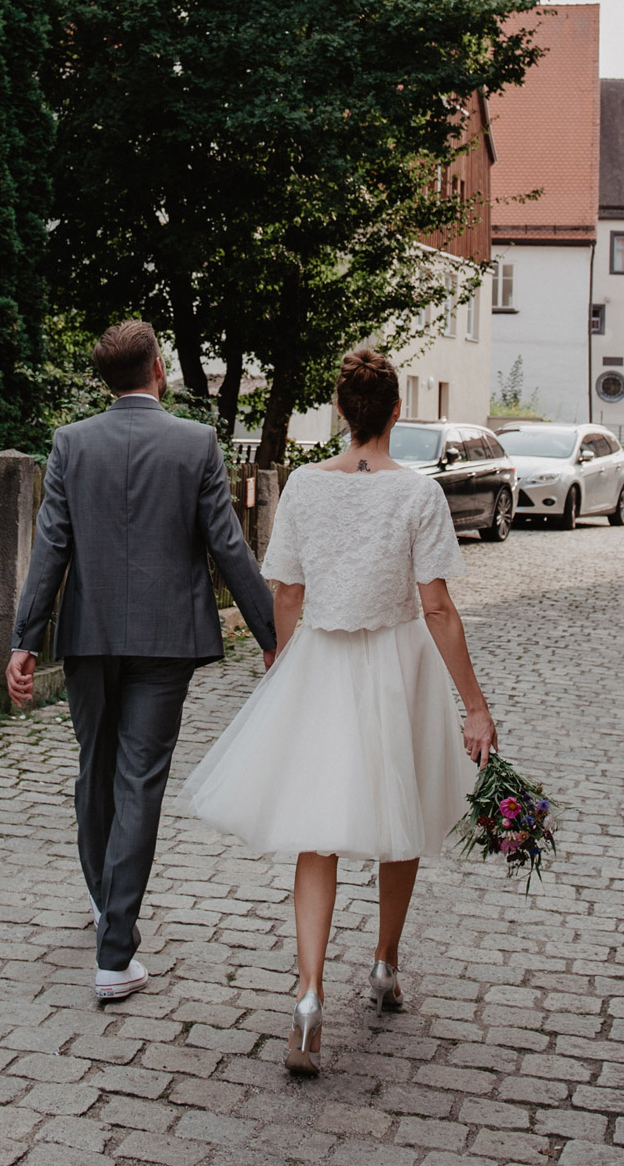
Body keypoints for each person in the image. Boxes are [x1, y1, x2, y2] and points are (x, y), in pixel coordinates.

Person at [180, 345, 496, 1077]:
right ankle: (384, 962)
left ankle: (308, 996)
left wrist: (286, 663)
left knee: (314, 836)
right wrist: (473, 706)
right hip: (398, 665)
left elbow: (285, 590)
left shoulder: (303, 487)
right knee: (405, 814)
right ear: (392, 413)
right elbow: (439, 607)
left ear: (341, 415)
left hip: (320, 660)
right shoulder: (416, 494)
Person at [8, 320, 277, 1003]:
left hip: (88, 635)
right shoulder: (196, 443)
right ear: (159, 368)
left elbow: (51, 550)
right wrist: (272, 634)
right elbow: (229, 547)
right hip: (165, 640)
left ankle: (107, 907)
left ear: (108, 378)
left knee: (95, 766)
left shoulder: (72, 443)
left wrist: (24, 639)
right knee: (139, 780)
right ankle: (114, 948)